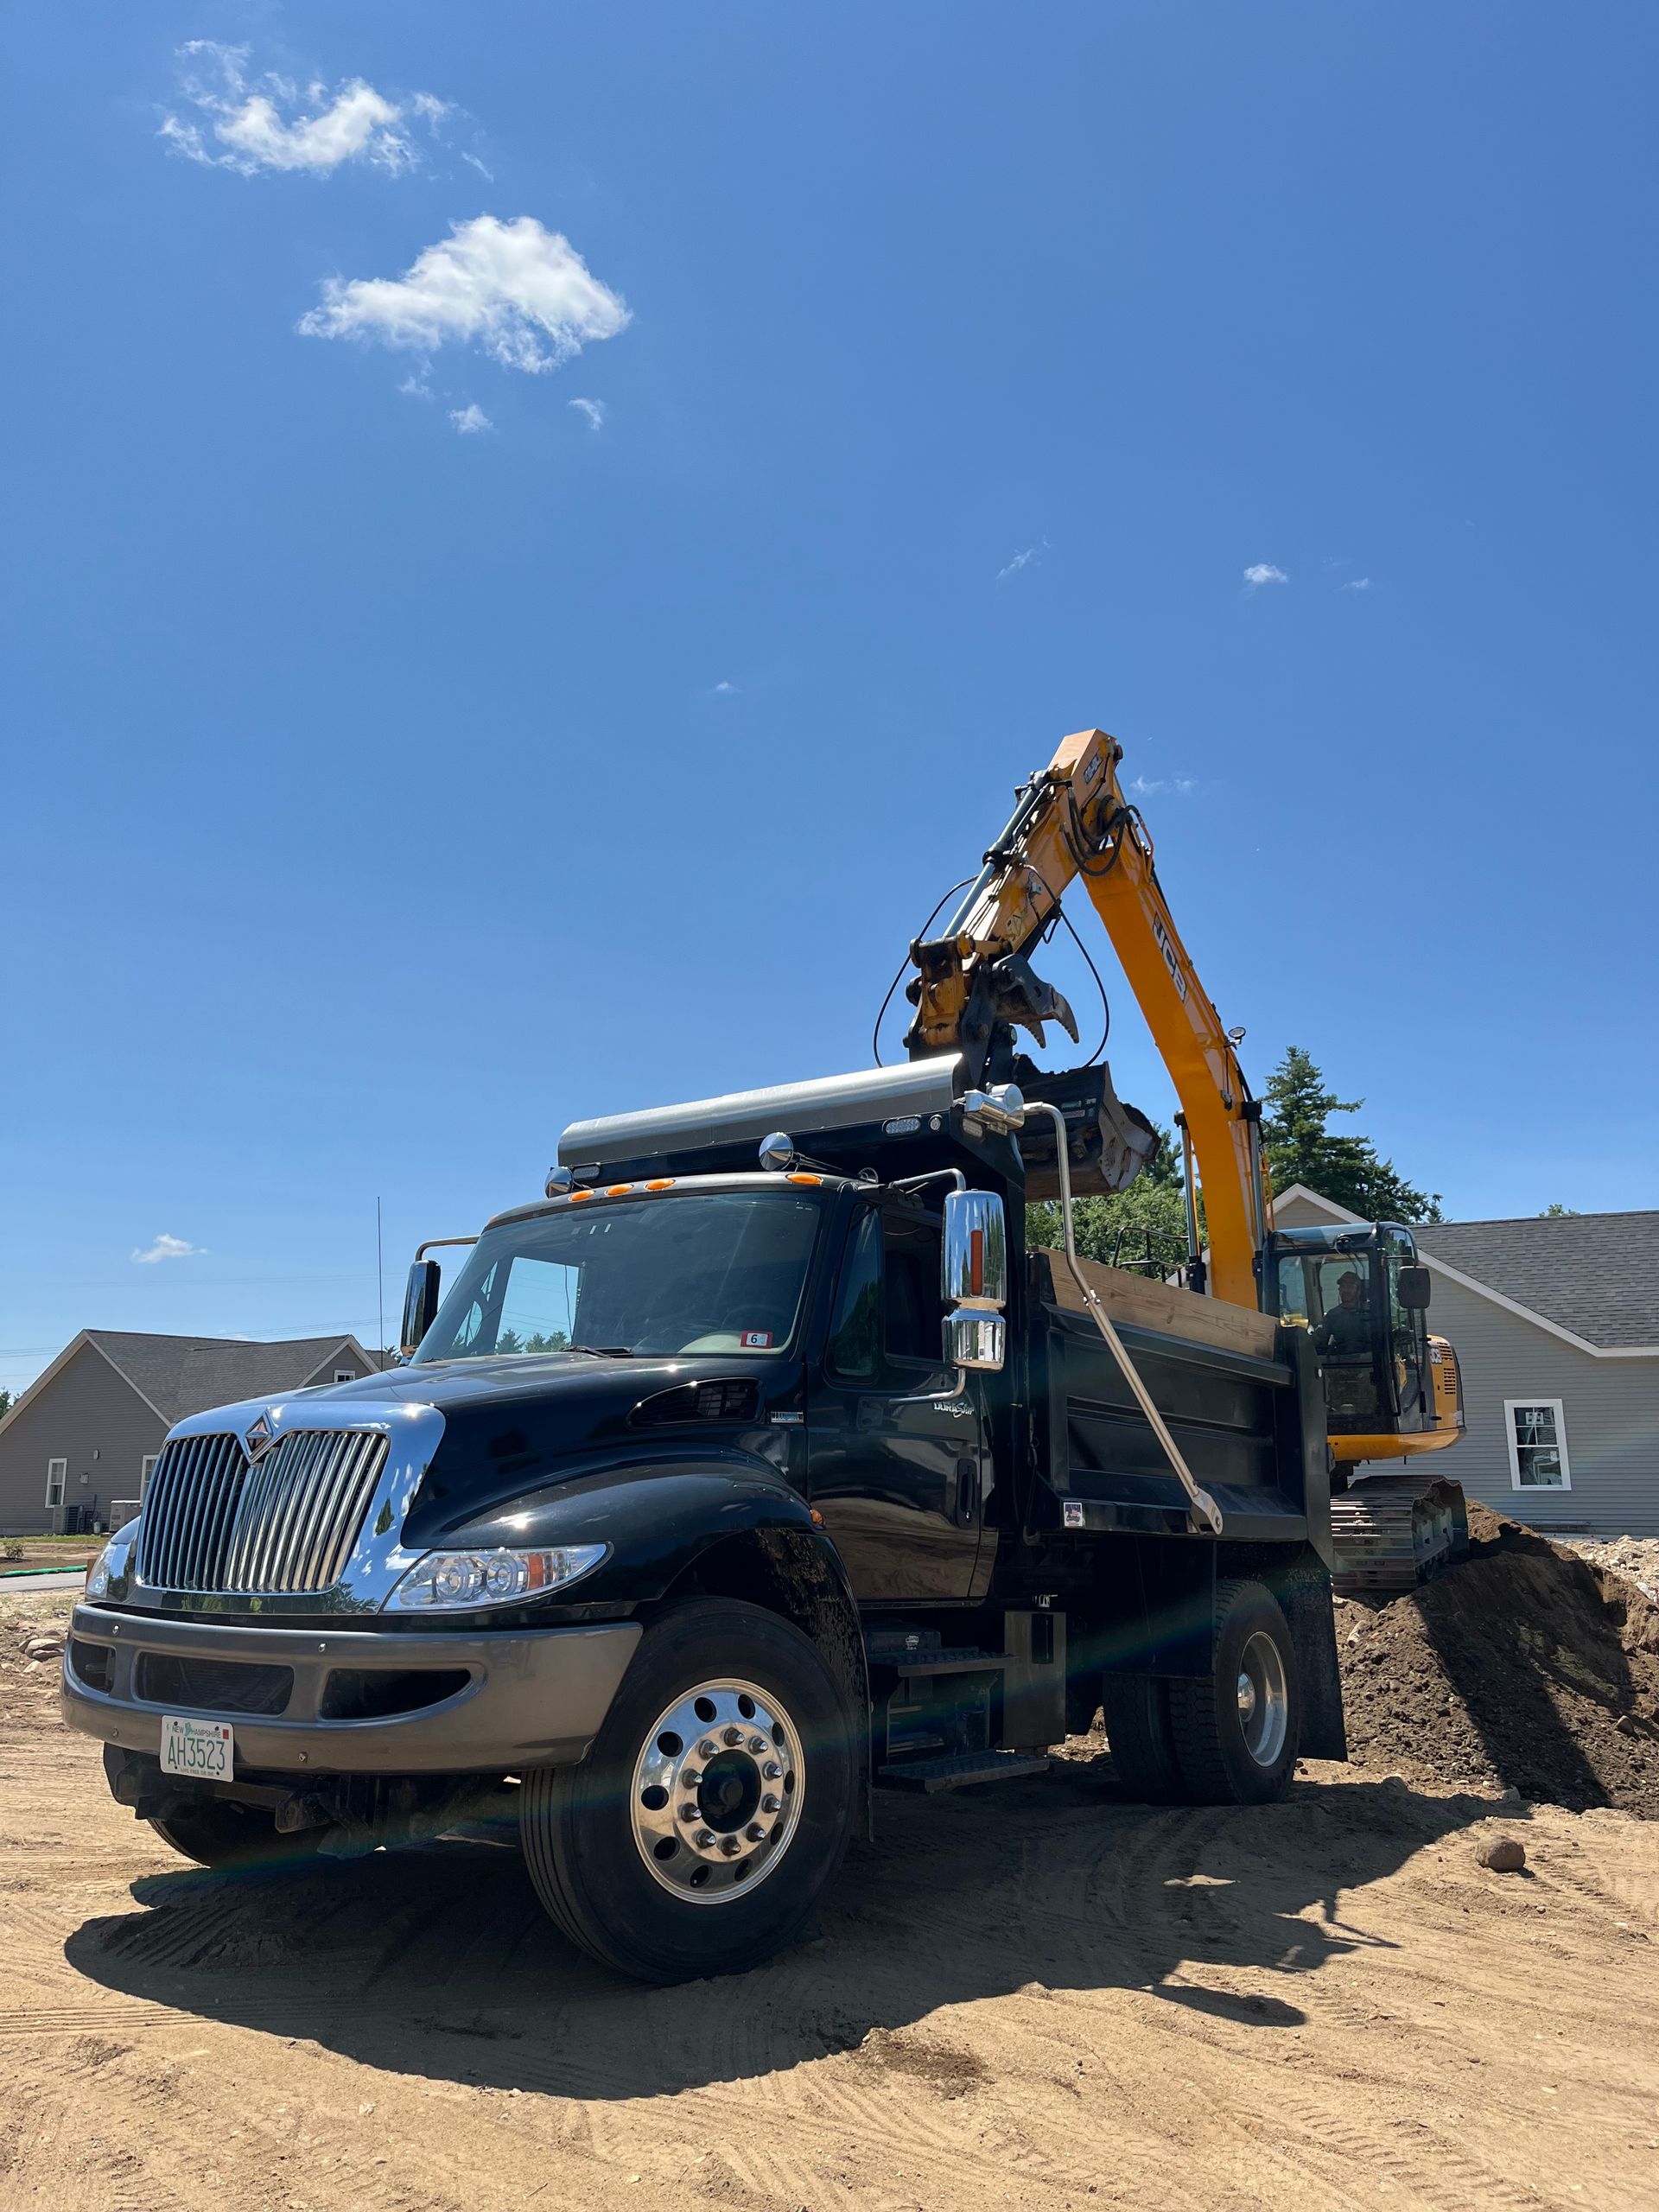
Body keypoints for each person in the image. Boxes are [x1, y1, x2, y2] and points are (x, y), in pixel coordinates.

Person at [1313, 1270, 1373, 1359]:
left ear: (1358, 1290)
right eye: (1343, 1286)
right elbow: (1318, 1337)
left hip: (1370, 1361)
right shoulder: (1332, 1315)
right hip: (1342, 1363)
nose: (1346, 1290)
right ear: (1339, 1290)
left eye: (1350, 1286)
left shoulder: (1371, 1311)